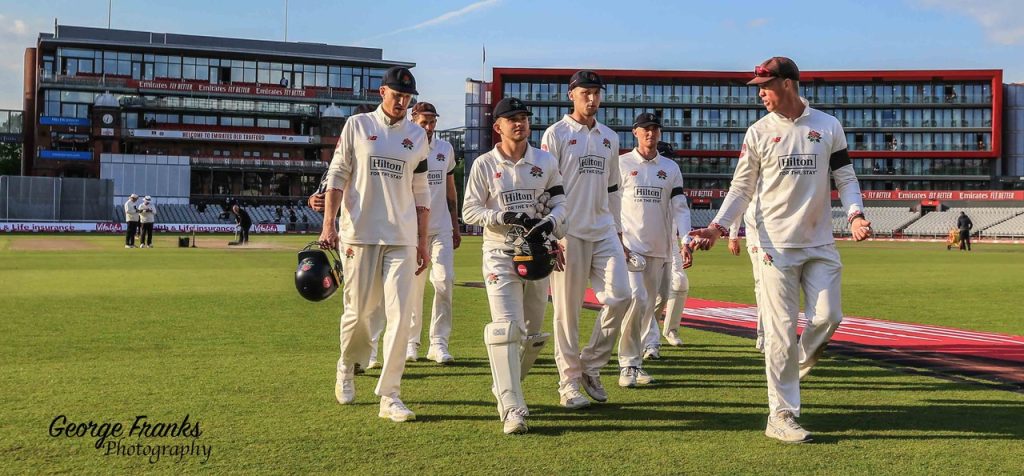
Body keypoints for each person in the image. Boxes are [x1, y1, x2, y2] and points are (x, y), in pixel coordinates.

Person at [688, 57, 872, 444]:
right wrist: (719, 227)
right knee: (780, 331)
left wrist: (855, 214)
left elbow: (845, 177)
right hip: (772, 244)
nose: (761, 93)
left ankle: (790, 367)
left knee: (828, 317)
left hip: (819, 240)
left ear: (788, 84)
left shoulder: (827, 125)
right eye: (758, 86)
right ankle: (781, 415)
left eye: (766, 86)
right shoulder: (757, 132)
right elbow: (740, 188)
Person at [318, 66, 430, 423]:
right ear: (382, 93)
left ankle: (390, 394)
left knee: (400, 316)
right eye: (396, 95)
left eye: (407, 98)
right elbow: (337, 174)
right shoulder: (358, 125)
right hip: (360, 234)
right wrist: (329, 224)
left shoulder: (418, 135)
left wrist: (422, 241)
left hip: (401, 237)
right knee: (359, 313)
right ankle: (347, 365)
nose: (401, 102)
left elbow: (422, 191)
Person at [462, 96, 567, 434]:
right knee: (505, 329)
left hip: (537, 253)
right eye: (512, 118)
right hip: (499, 252)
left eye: (523, 117)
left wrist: (551, 223)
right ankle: (512, 407)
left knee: (532, 336)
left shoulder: (546, 161)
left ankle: (506, 384)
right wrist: (503, 216)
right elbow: (469, 212)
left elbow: (562, 203)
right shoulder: (483, 165)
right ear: (498, 127)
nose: (519, 123)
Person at [541, 70, 630, 408]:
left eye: (596, 93)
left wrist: (619, 232)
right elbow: (548, 187)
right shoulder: (556, 134)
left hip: (604, 229)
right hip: (568, 233)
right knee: (567, 312)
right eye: (585, 93)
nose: (591, 99)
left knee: (622, 296)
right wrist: (551, 234)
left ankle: (591, 365)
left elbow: (613, 189)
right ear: (571, 96)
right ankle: (569, 383)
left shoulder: (609, 137)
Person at [615, 112, 693, 383]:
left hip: (659, 248)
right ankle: (627, 364)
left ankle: (635, 362)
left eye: (655, 129)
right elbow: (610, 204)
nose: (650, 133)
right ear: (635, 132)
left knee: (647, 307)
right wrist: (616, 239)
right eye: (645, 129)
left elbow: (679, 207)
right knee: (636, 299)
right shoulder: (621, 164)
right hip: (630, 248)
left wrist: (686, 239)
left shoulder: (670, 168)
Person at [399, 101, 462, 364]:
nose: (428, 126)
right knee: (414, 289)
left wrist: (455, 224)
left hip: (441, 230)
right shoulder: (403, 145)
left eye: (432, 122)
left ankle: (439, 343)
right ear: (413, 119)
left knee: (444, 281)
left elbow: (450, 189)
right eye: (424, 122)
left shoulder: (445, 149)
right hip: (412, 232)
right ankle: (412, 343)